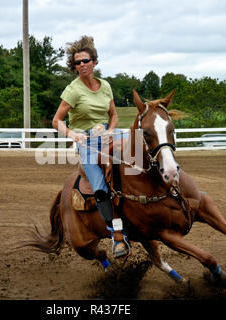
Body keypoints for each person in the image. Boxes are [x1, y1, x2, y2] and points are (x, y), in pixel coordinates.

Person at [52, 35, 130, 258]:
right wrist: (72, 134)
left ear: (94, 62)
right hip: (85, 140)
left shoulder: (105, 86)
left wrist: (109, 131)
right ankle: (116, 237)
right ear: (74, 67)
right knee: (99, 187)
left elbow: (113, 115)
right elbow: (56, 121)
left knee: (138, 155)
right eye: (77, 63)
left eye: (85, 60)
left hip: (107, 134)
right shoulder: (73, 90)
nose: (82, 65)